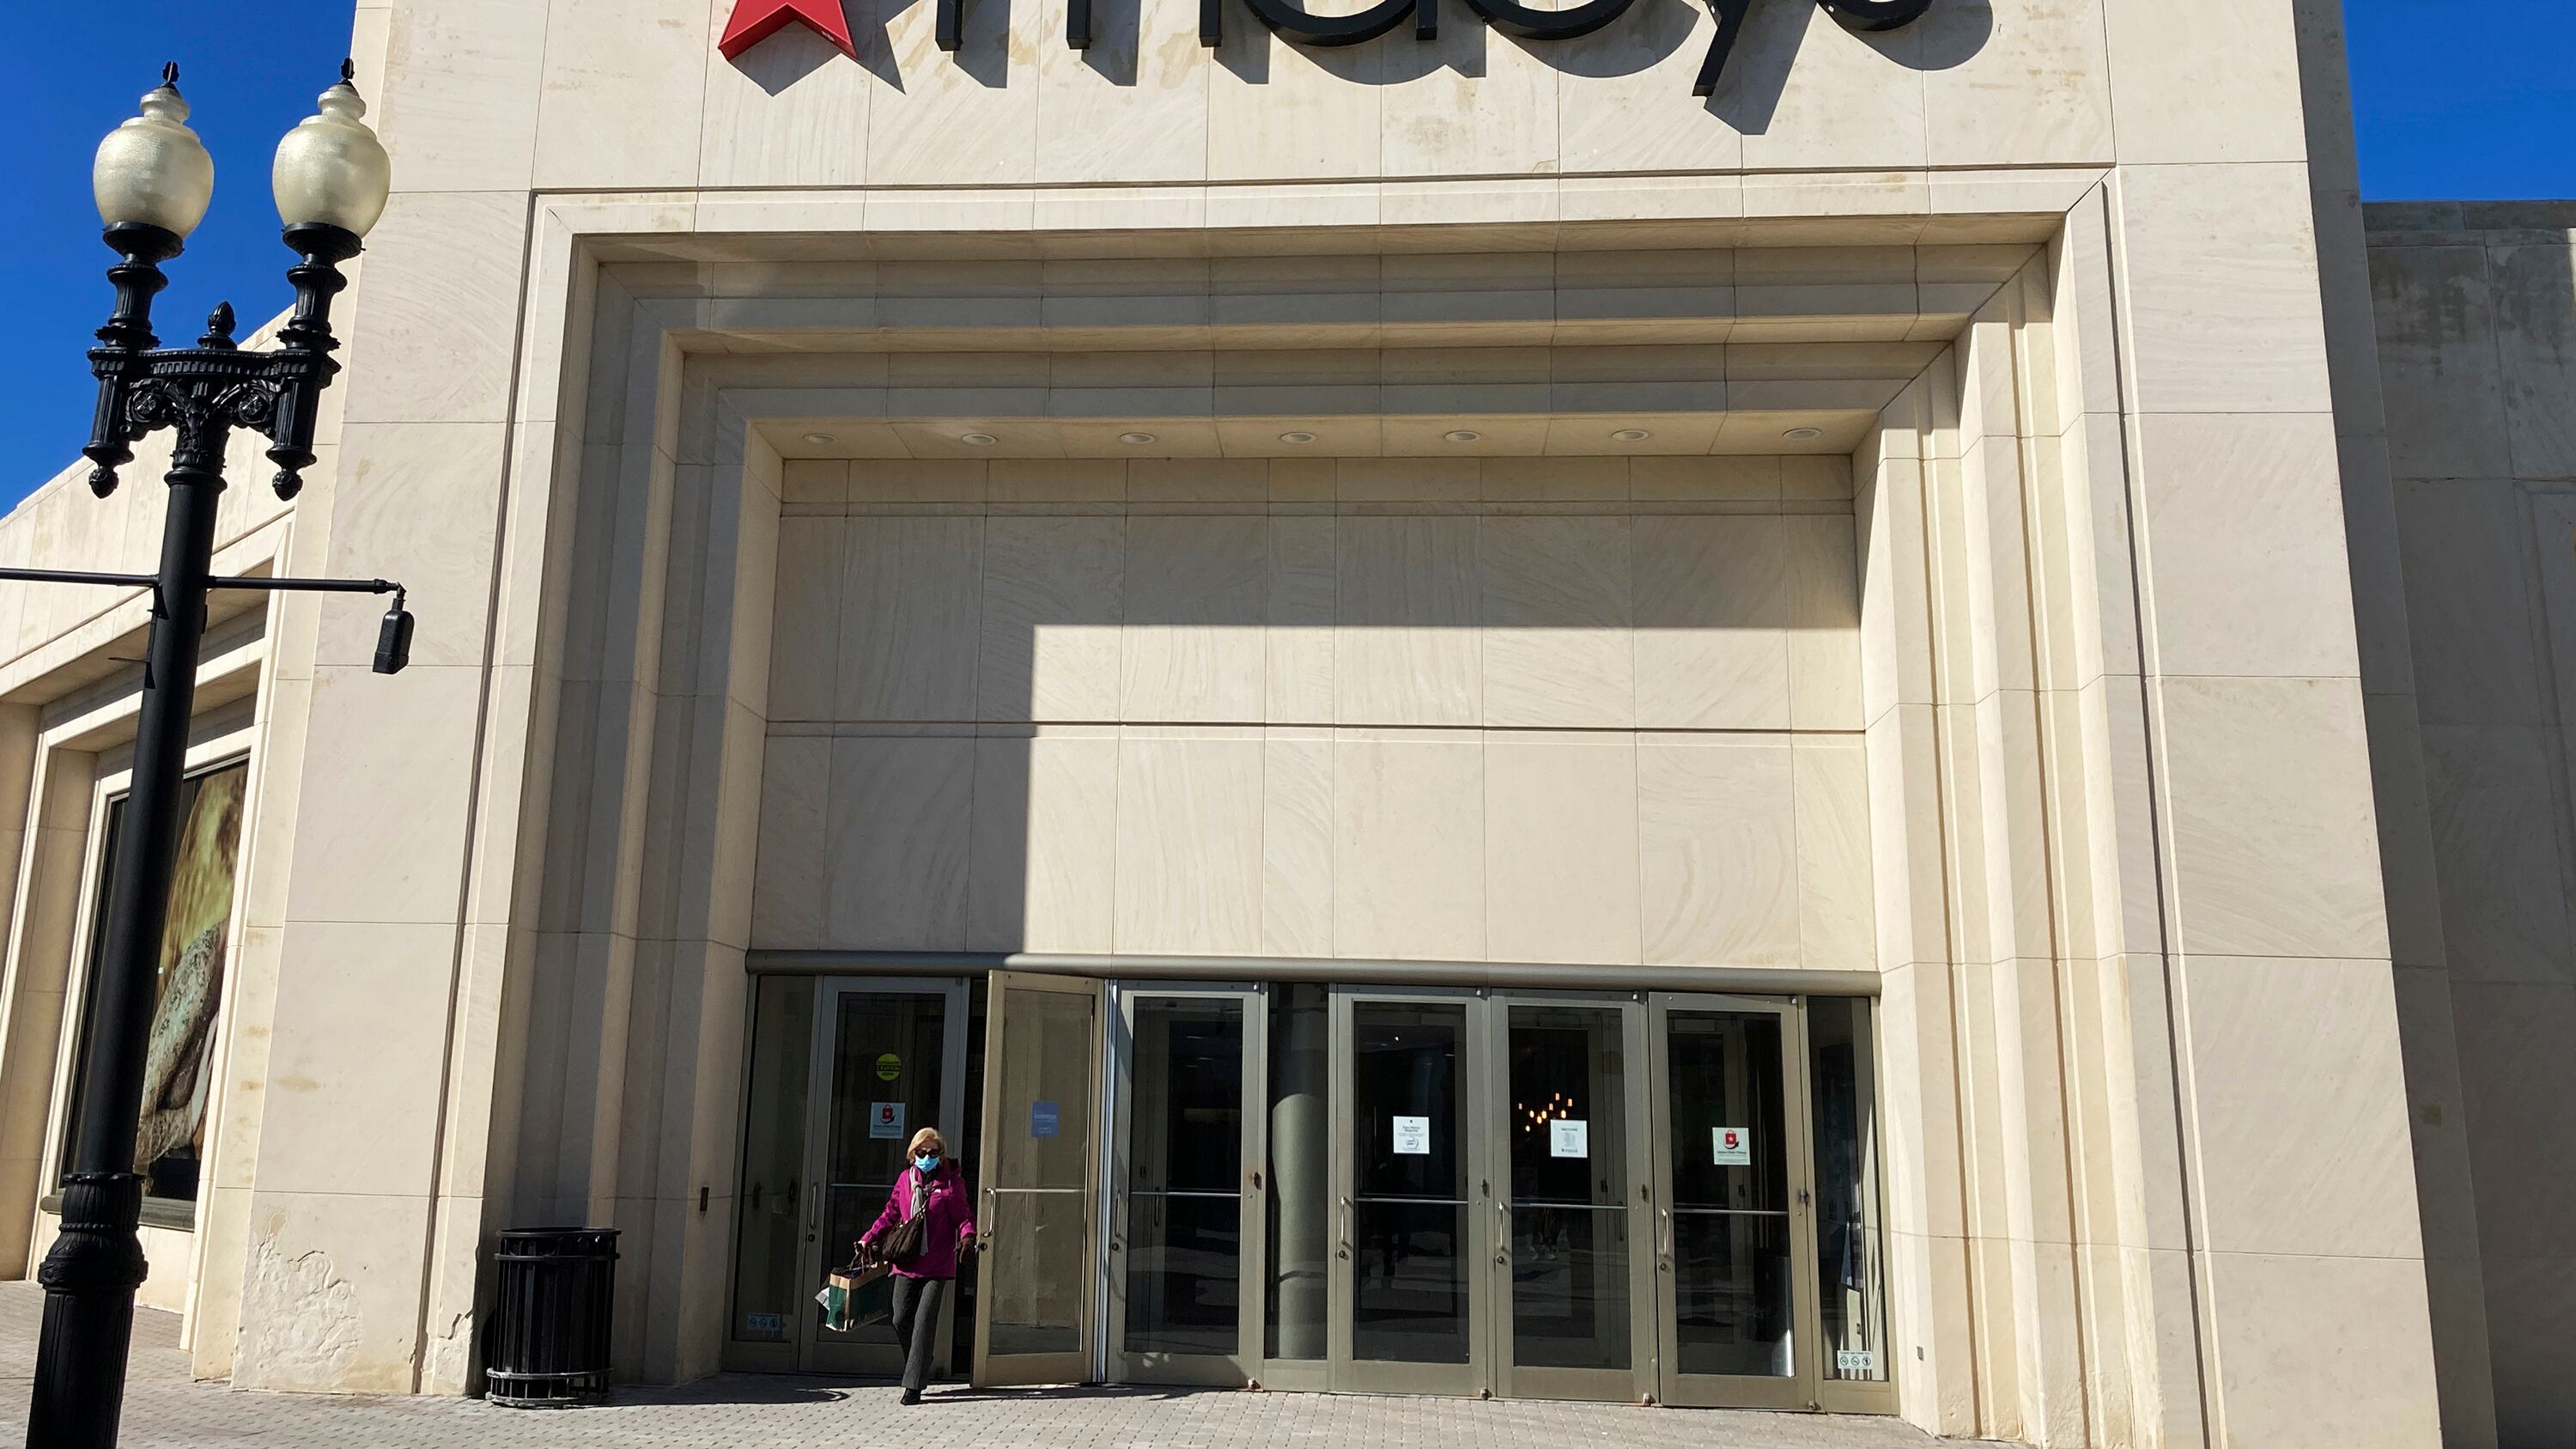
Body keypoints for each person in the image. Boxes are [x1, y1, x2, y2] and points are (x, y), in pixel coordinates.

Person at [859, 1127, 977, 1405]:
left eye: (933, 1153)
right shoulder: (905, 1179)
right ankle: (921, 1360)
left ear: (941, 1155)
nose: (927, 1157)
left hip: (938, 1264)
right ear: (913, 1154)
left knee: (924, 1322)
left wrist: (968, 1237)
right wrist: (868, 1238)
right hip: (907, 1261)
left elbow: (964, 1216)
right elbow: (890, 1213)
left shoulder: (951, 1183)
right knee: (900, 1318)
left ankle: (913, 1387)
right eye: (922, 1153)